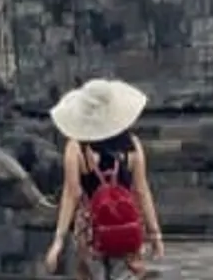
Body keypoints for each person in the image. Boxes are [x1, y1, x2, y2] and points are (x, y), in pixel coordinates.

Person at [43, 78, 164, 277]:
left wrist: (58, 240)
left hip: (91, 233)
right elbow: (142, 191)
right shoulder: (132, 146)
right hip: (126, 228)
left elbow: (72, 194)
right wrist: (155, 234)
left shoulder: (76, 148)